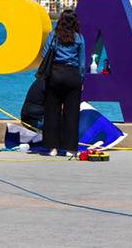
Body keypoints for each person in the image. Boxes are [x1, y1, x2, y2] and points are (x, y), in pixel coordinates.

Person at [41, 9, 85, 157]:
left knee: (52, 112)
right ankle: (70, 148)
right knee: (72, 114)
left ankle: (52, 148)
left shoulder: (53, 35)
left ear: (60, 20)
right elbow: (82, 63)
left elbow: (44, 54)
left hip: (54, 74)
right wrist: (81, 79)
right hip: (72, 75)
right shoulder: (79, 38)